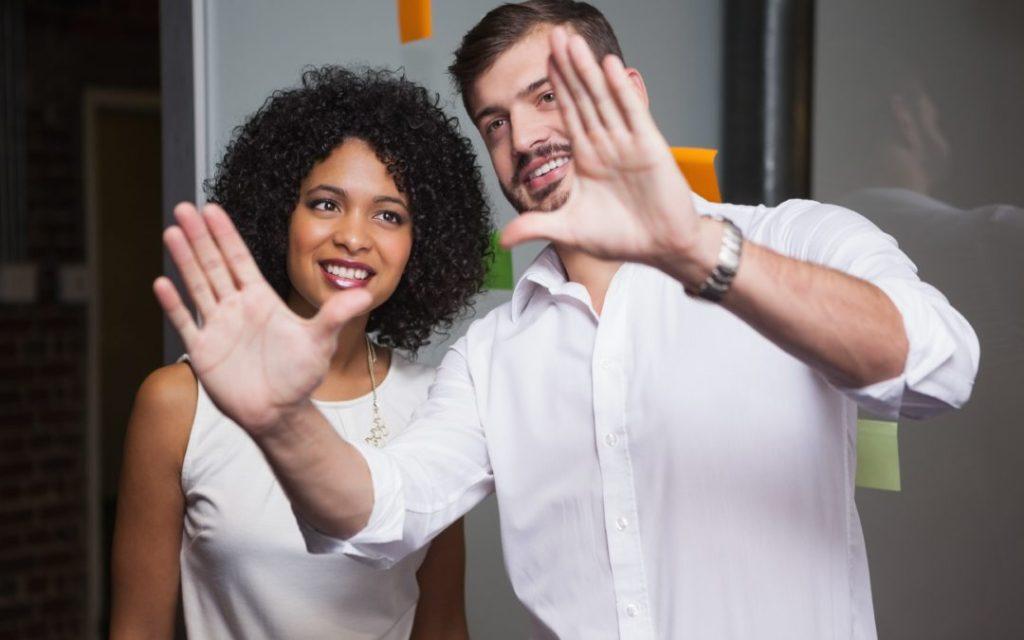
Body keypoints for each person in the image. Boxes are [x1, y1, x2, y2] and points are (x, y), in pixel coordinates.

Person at [153, 2, 980, 638]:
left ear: (627, 90)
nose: (524, 136)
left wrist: (696, 250)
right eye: (496, 122)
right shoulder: (491, 354)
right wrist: (282, 421)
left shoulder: (799, 239)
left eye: (547, 96)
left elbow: (939, 368)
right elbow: (380, 515)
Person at [109, 66, 491, 639]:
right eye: (326, 204)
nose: (354, 237)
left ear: (423, 242)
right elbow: (137, 629)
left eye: (389, 215)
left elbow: (442, 623)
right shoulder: (176, 405)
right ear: (278, 214)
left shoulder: (439, 402)